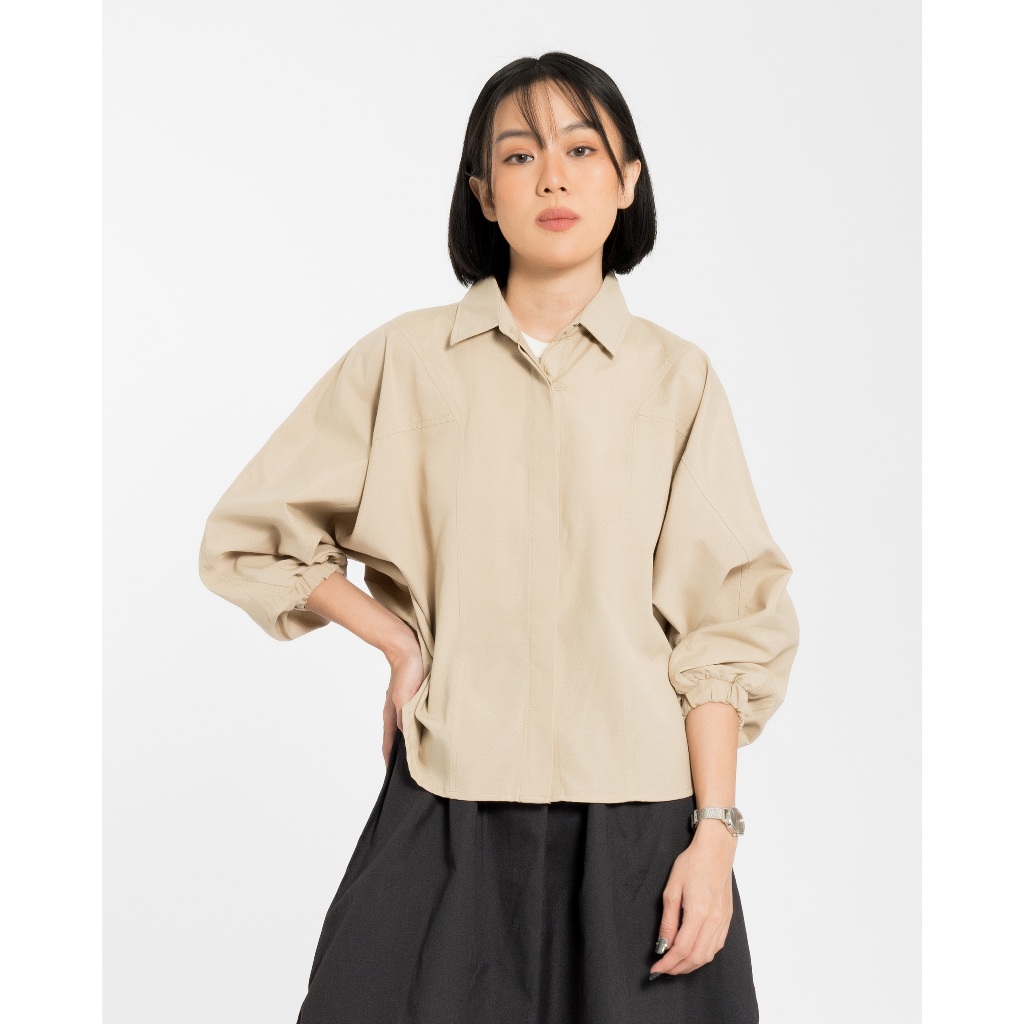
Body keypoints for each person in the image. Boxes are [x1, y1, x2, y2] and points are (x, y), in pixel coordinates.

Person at [198, 51, 799, 1024]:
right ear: (482, 191)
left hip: (638, 831)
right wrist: (397, 642)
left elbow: (724, 625)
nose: (552, 177)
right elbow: (253, 535)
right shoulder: (405, 361)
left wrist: (715, 834)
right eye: (519, 155)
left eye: (580, 150)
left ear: (627, 179)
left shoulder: (676, 381)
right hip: (449, 806)